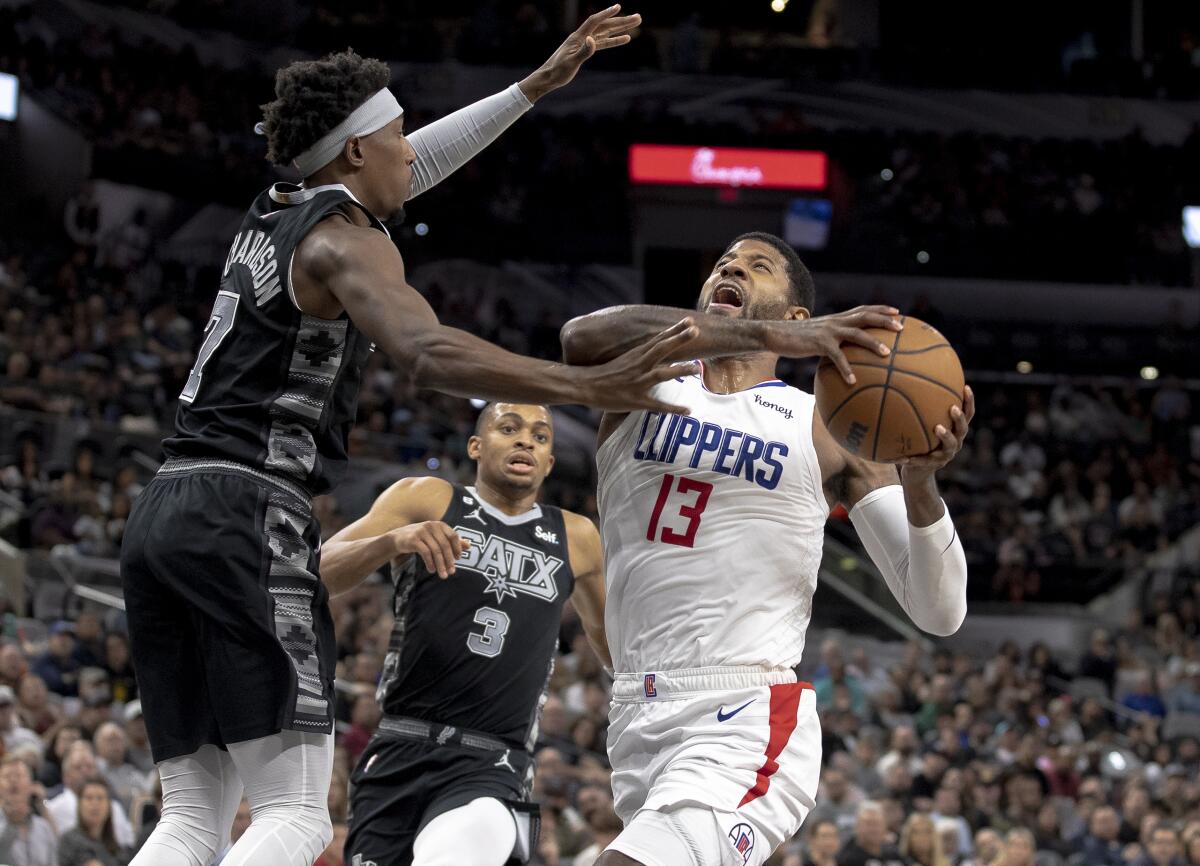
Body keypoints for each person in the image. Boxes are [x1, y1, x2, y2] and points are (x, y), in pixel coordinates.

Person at [119, 10, 698, 866]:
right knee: (298, 816)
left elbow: (413, 162)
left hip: (165, 511)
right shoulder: (343, 240)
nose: (410, 153)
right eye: (395, 138)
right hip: (248, 508)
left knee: (193, 820)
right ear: (356, 152)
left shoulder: (277, 209)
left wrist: (531, 88)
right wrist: (588, 385)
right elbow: (426, 354)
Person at [562, 232, 970, 866]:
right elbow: (580, 338)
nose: (732, 268)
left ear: (799, 321)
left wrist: (920, 482)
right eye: (725, 262)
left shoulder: (820, 427)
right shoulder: (642, 381)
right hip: (636, 711)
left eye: (758, 267)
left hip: (745, 715)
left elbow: (939, 612)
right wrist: (753, 336)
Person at [323, 403, 610, 866]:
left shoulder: (576, 535)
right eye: (509, 429)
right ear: (476, 446)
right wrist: (393, 541)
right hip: (401, 743)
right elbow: (319, 571)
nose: (525, 442)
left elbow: (613, 647)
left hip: (494, 761)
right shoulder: (428, 498)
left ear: (549, 462)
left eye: (540, 437)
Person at [45, 743, 135, 849]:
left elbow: (128, 843)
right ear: (66, 776)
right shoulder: (53, 809)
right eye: (78, 767)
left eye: (89, 766)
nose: (85, 771)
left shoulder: (113, 806)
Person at [56, 779, 132, 866]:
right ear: (79, 805)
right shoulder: (69, 840)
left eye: (100, 798)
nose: (95, 803)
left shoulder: (116, 846)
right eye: (89, 798)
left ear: (109, 807)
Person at [0, 755, 57, 866]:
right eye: (7, 776)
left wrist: (42, 805)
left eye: (19, 775)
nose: (13, 780)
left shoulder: (43, 827)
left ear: (31, 785)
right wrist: (11, 826)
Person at [837, 803, 904, 866]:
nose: (873, 829)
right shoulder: (845, 858)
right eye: (868, 824)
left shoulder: (894, 853)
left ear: (885, 827)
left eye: (877, 824)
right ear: (857, 827)